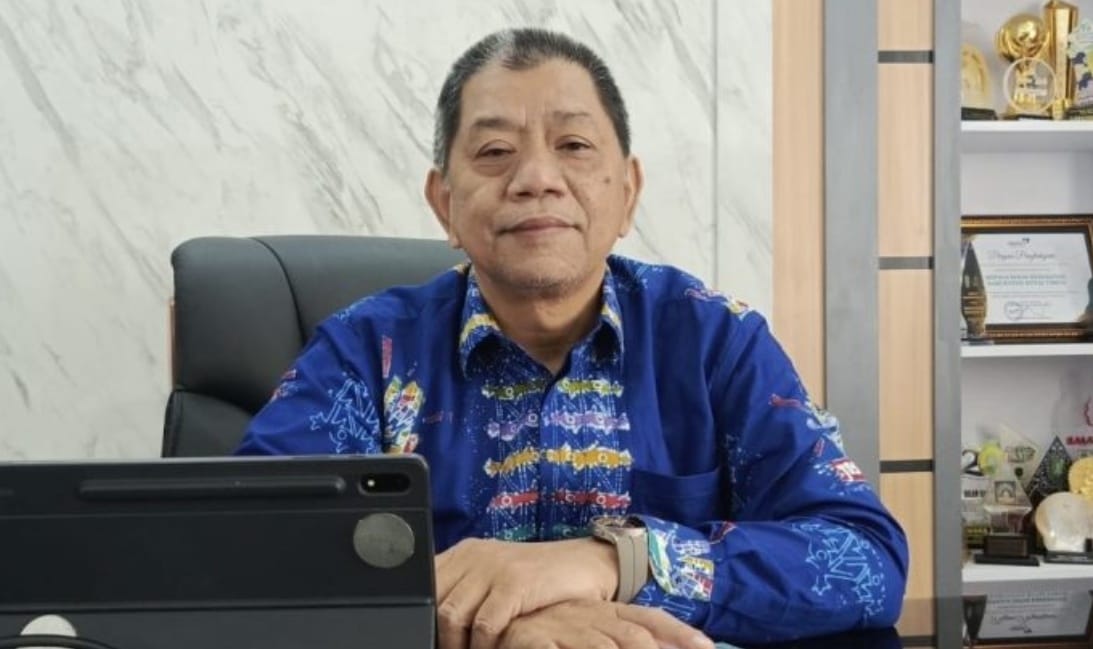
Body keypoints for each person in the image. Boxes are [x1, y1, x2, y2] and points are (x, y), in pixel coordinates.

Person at [237, 28, 908, 649]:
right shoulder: (365, 351)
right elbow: (243, 551)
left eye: (574, 145)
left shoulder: (713, 340)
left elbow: (864, 559)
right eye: (494, 152)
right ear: (445, 204)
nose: (536, 177)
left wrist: (615, 562)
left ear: (628, 192)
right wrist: (503, 623)